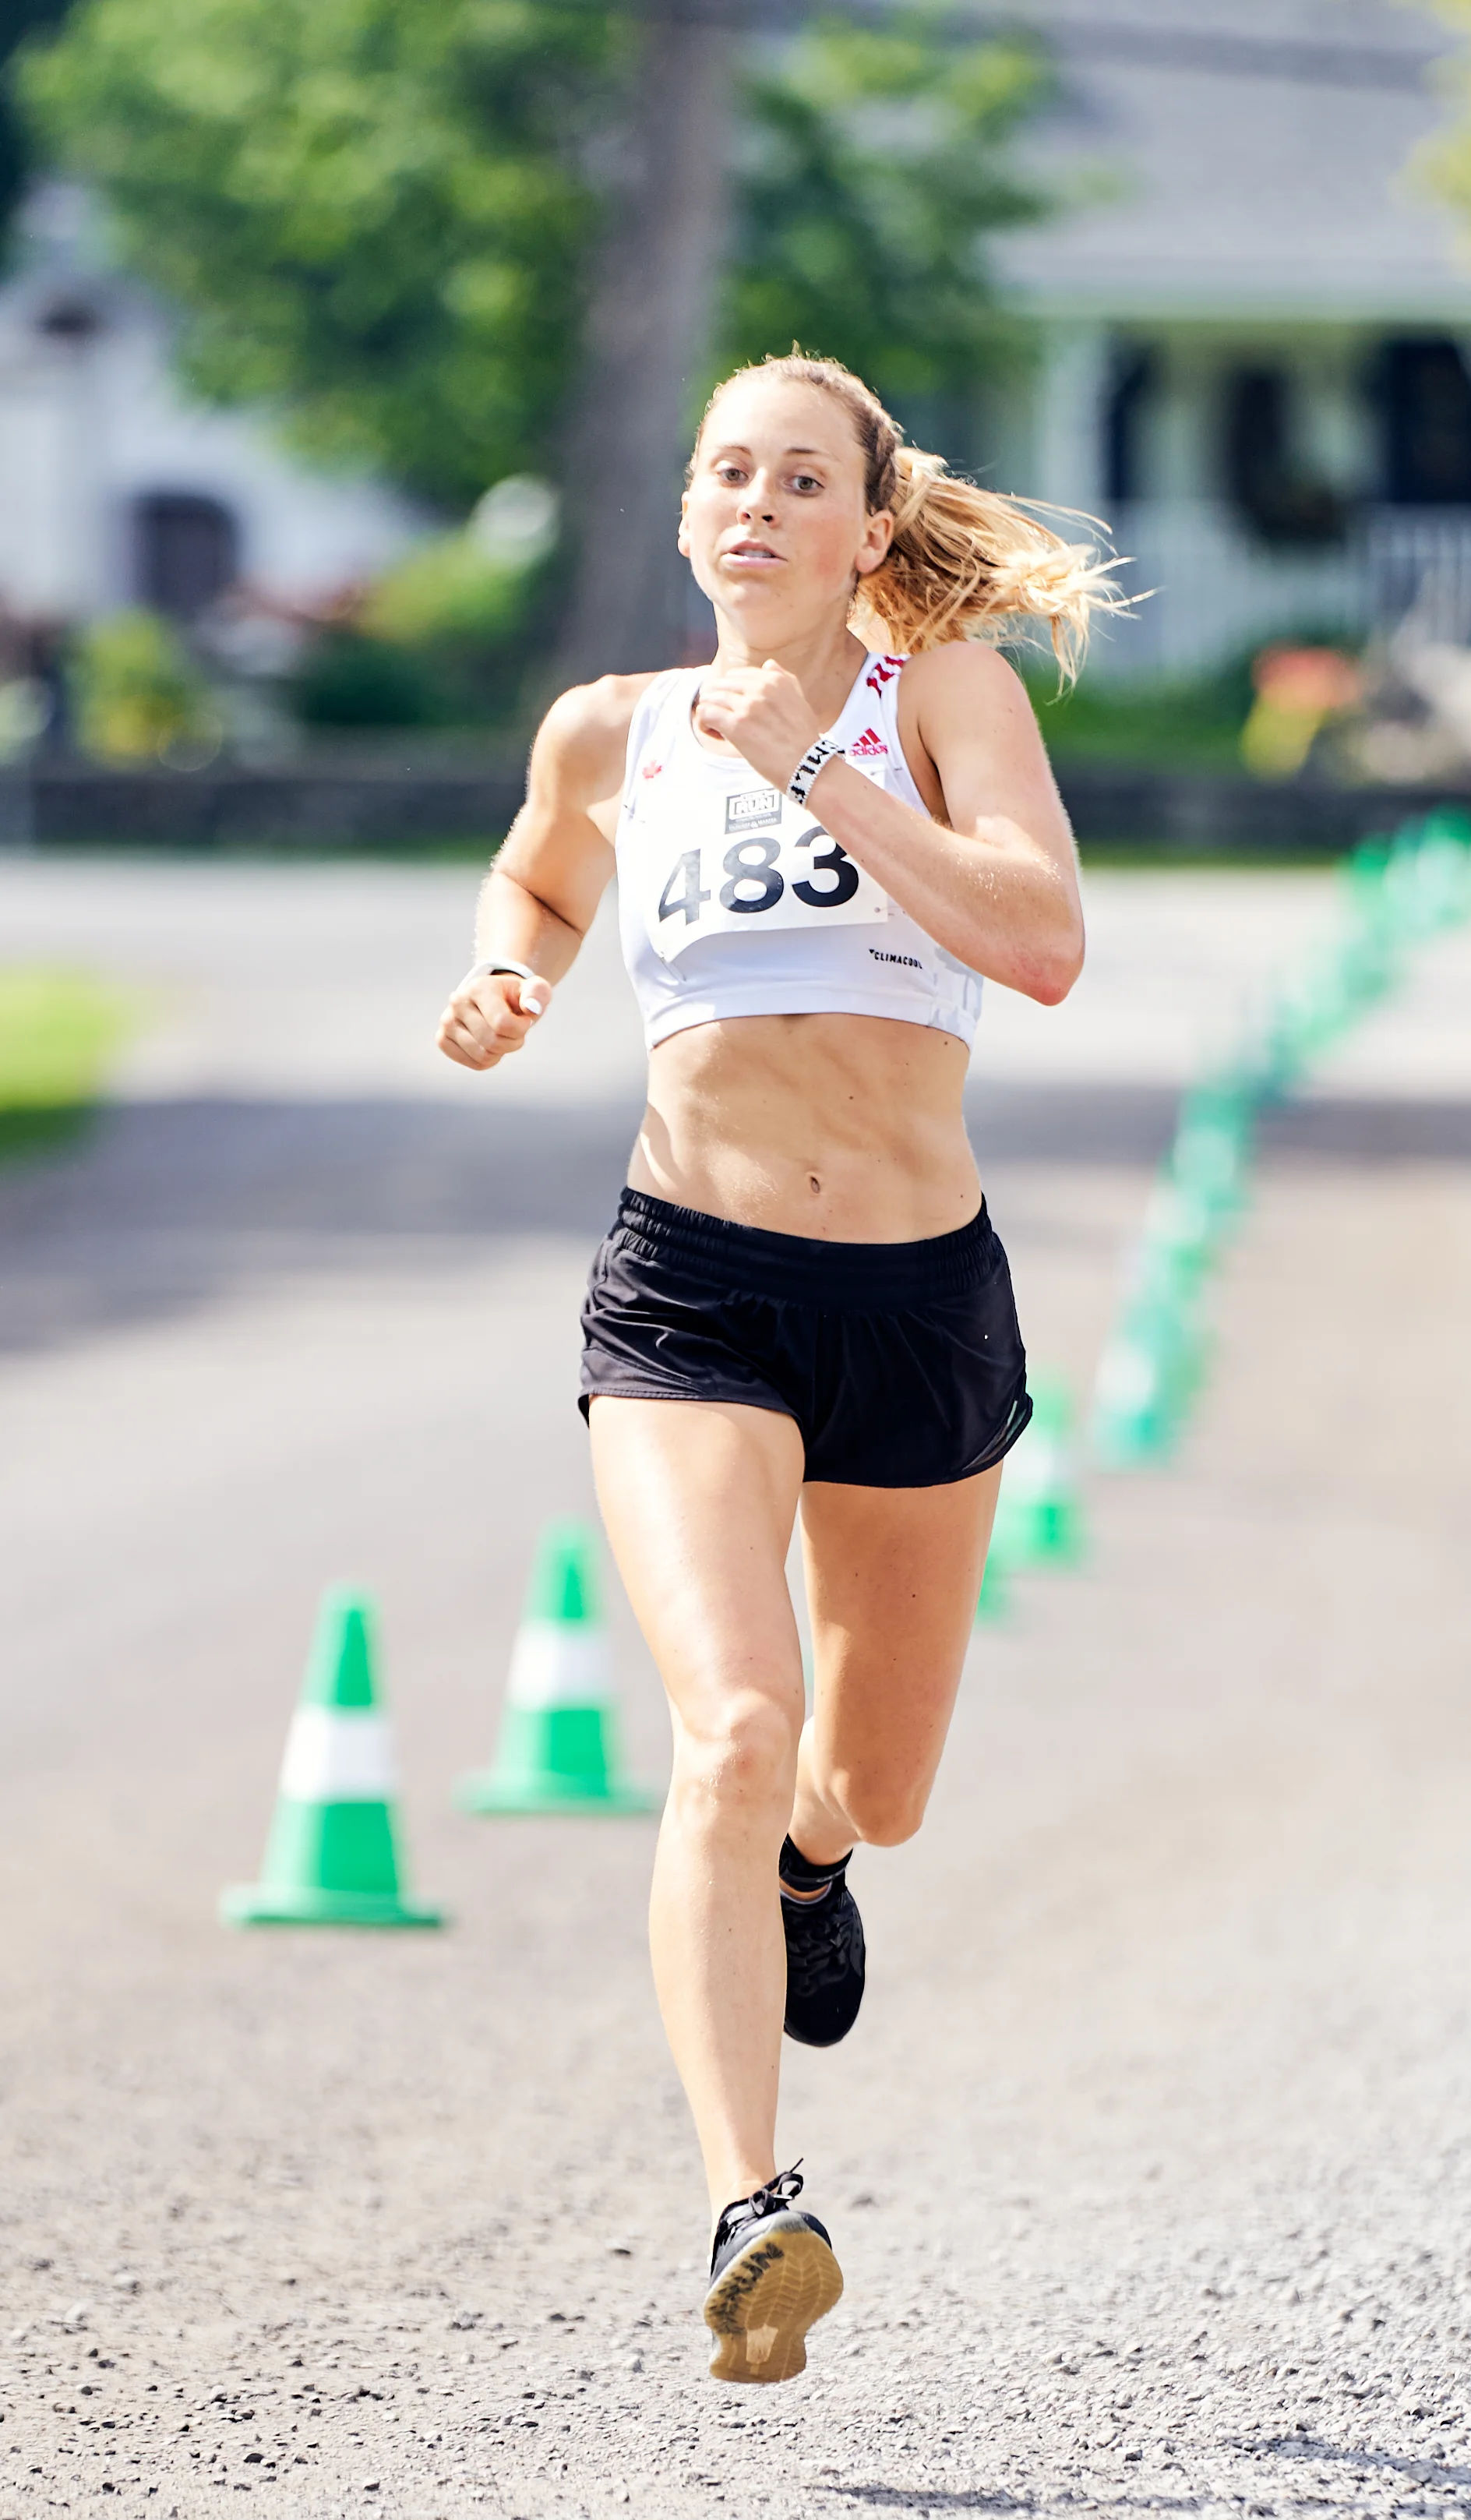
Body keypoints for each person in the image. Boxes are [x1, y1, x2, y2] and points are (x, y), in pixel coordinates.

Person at [437, 354, 1116, 2384]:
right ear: (685, 515)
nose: (752, 504)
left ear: (861, 523)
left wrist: (812, 771)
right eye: (723, 472)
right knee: (726, 1727)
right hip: (689, 1289)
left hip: (916, 1299)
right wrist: (506, 973)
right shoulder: (608, 734)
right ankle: (751, 2208)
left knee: (866, 1788)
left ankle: (815, 1865)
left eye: (796, 477)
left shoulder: (946, 702)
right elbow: (541, 872)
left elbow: (1047, 941)